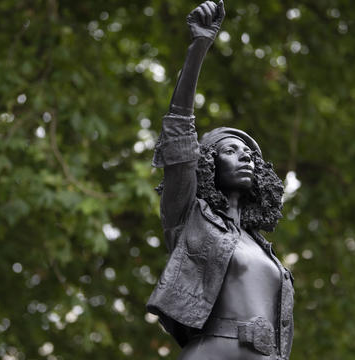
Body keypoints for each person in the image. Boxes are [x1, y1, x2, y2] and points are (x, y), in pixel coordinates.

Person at [146, 2, 294, 359]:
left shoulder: (262, 248)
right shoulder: (190, 217)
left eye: (252, 156)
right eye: (231, 150)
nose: (245, 157)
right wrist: (198, 47)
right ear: (209, 163)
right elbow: (179, 133)